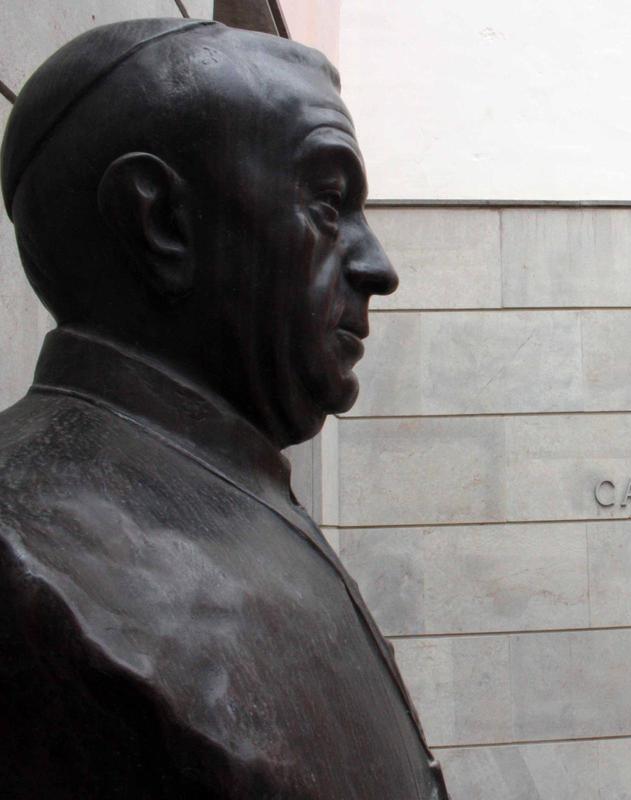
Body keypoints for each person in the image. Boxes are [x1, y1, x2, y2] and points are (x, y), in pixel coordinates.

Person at [0, 18, 449, 798]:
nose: (379, 268)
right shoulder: (28, 560)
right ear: (162, 223)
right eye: (329, 203)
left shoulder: (233, 480)